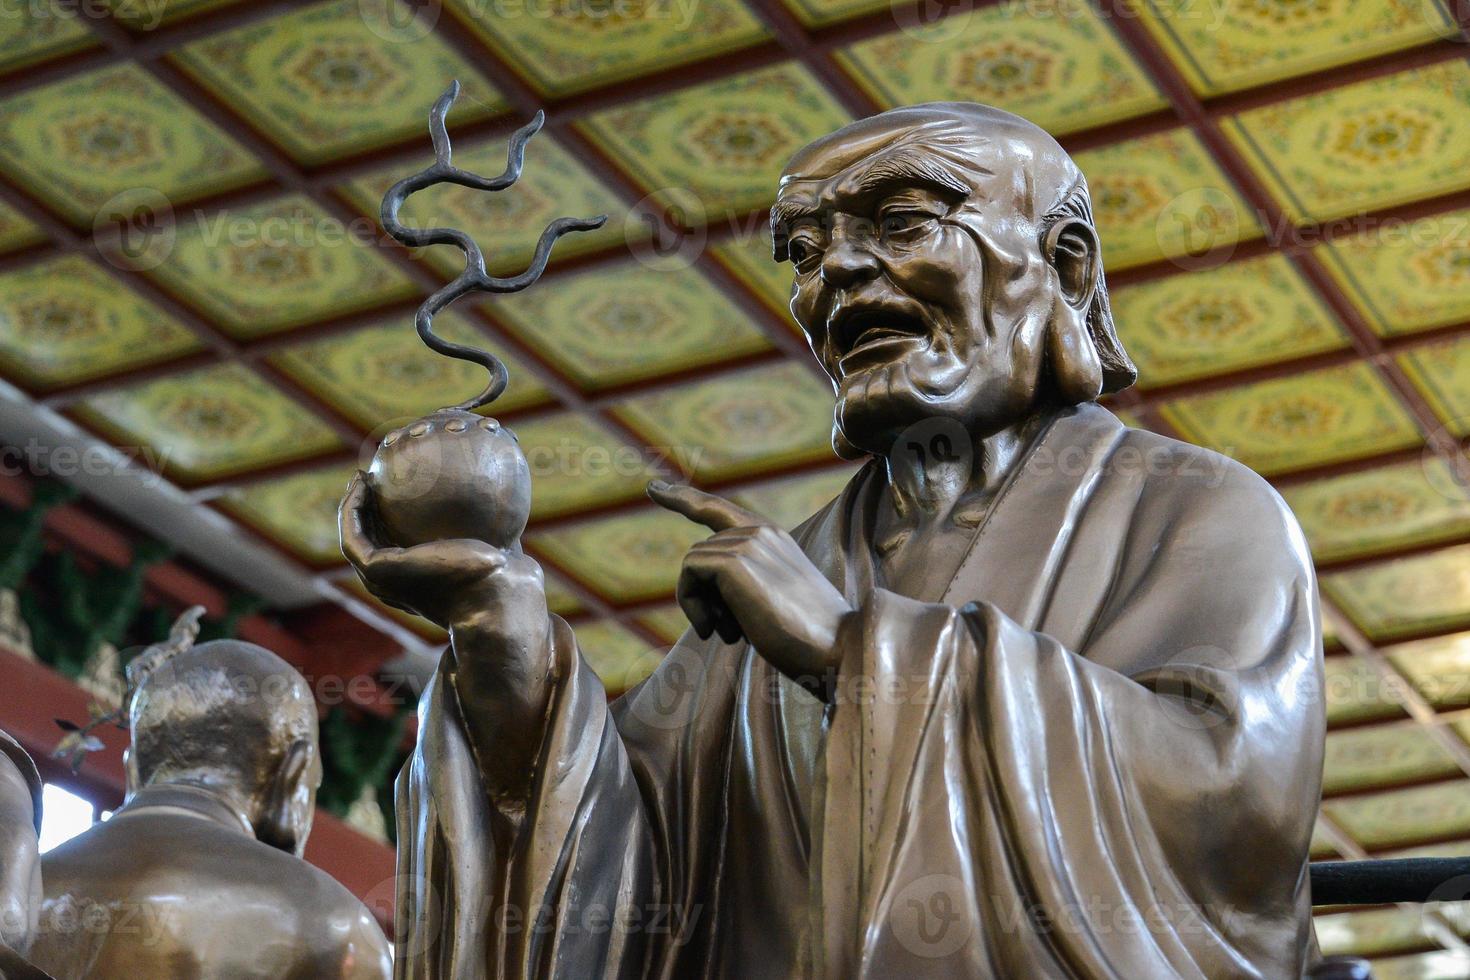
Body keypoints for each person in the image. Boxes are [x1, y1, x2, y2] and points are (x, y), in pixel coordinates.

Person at [345, 102, 1324, 978]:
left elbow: (1226, 799)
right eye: (805, 253)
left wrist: (847, 649)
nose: (838, 273)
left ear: (1063, 264)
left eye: (901, 223)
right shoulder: (793, 564)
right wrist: (501, 627)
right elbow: (626, 851)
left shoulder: (1200, 513)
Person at [29, 637, 390, 979]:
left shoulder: (21, 887)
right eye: (313, 785)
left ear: (133, 768)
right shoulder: (331, 925)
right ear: (292, 777)